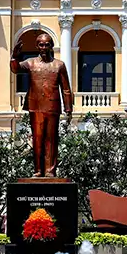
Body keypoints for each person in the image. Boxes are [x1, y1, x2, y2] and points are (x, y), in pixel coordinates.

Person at [10, 33, 73, 177]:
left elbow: (66, 88)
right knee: (37, 139)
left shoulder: (59, 65)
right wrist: (14, 57)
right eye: (41, 44)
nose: (44, 47)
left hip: (52, 107)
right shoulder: (30, 63)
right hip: (35, 106)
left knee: (51, 139)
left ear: (51, 46)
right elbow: (15, 69)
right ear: (37, 46)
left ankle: (50, 171)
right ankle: (38, 170)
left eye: (46, 44)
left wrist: (68, 108)